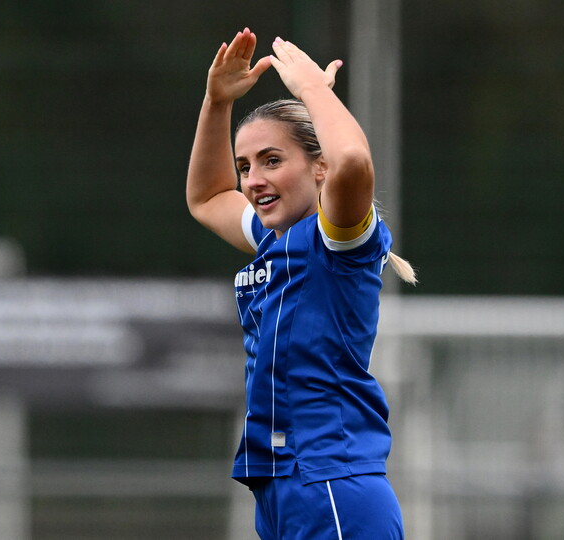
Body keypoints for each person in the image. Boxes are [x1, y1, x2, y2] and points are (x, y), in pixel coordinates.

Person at [186, 27, 415, 539]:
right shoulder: (274, 239)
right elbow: (206, 198)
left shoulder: (337, 238)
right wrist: (215, 102)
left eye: (272, 160)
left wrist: (314, 91)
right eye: (245, 166)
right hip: (280, 488)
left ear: (319, 168)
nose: (252, 180)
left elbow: (353, 161)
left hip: (330, 484)